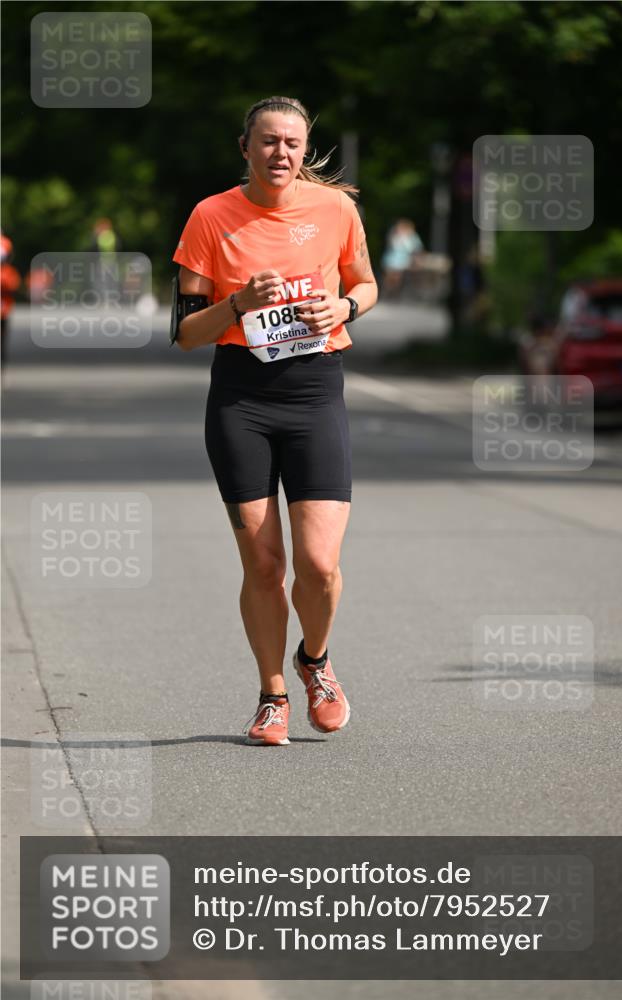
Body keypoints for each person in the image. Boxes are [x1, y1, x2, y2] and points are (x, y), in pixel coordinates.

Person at [172, 96, 378, 746]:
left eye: (291, 142)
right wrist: (237, 303)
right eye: (267, 142)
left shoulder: (335, 209)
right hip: (241, 400)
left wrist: (342, 308)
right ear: (245, 147)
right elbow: (182, 332)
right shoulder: (211, 216)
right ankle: (272, 695)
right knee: (264, 565)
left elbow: (366, 284)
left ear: (304, 148)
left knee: (318, 564)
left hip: (315, 393)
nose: (280, 153)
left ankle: (314, 659)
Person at [380, 218, 423, 299]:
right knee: (390, 274)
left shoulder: (412, 237)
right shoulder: (394, 235)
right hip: (392, 260)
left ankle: (393, 292)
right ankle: (389, 291)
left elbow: (416, 249)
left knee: (396, 275)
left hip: (403, 261)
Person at [1, 234, 21, 370]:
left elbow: (13, 286)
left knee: (3, 333)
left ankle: (2, 357)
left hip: (3, 307)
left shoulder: (8, 272)